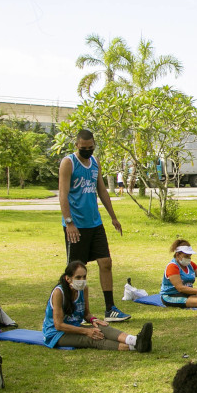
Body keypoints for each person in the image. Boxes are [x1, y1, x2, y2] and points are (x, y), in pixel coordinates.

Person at [59, 128, 131, 322]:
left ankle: (110, 309)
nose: (87, 151)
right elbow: (63, 194)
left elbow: (102, 190)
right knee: (77, 271)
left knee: (106, 262)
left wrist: (113, 217)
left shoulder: (95, 162)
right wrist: (69, 223)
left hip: (95, 223)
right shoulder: (68, 163)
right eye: (83, 148)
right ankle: (75, 311)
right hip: (76, 225)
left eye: (90, 147)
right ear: (76, 145)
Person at [44, 261, 154, 350]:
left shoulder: (83, 289)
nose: (82, 280)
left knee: (101, 327)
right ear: (68, 279)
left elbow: (86, 314)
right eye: (78, 277)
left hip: (74, 327)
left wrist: (93, 320)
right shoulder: (59, 292)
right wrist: (87, 331)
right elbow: (59, 325)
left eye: (84, 277)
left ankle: (135, 340)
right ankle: (135, 346)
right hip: (56, 334)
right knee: (92, 338)